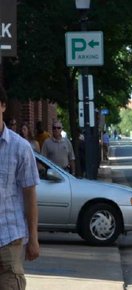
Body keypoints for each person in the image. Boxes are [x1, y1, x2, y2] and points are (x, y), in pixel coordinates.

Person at [0, 86, 40, 290]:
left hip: (10, 238)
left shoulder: (20, 148)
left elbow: (30, 196)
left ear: (3, 106)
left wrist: (33, 238)